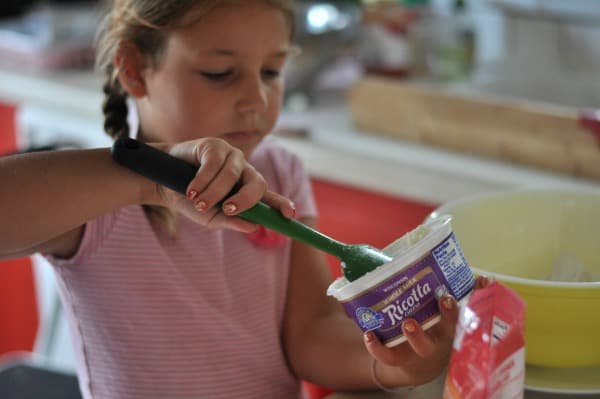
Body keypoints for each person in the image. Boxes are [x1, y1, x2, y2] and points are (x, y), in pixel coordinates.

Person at [0, 1, 487, 398]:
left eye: (272, 72)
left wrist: (395, 366)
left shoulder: (279, 171)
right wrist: (148, 179)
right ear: (134, 69)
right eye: (219, 72)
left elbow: (310, 332)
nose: (255, 99)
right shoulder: (102, 197)